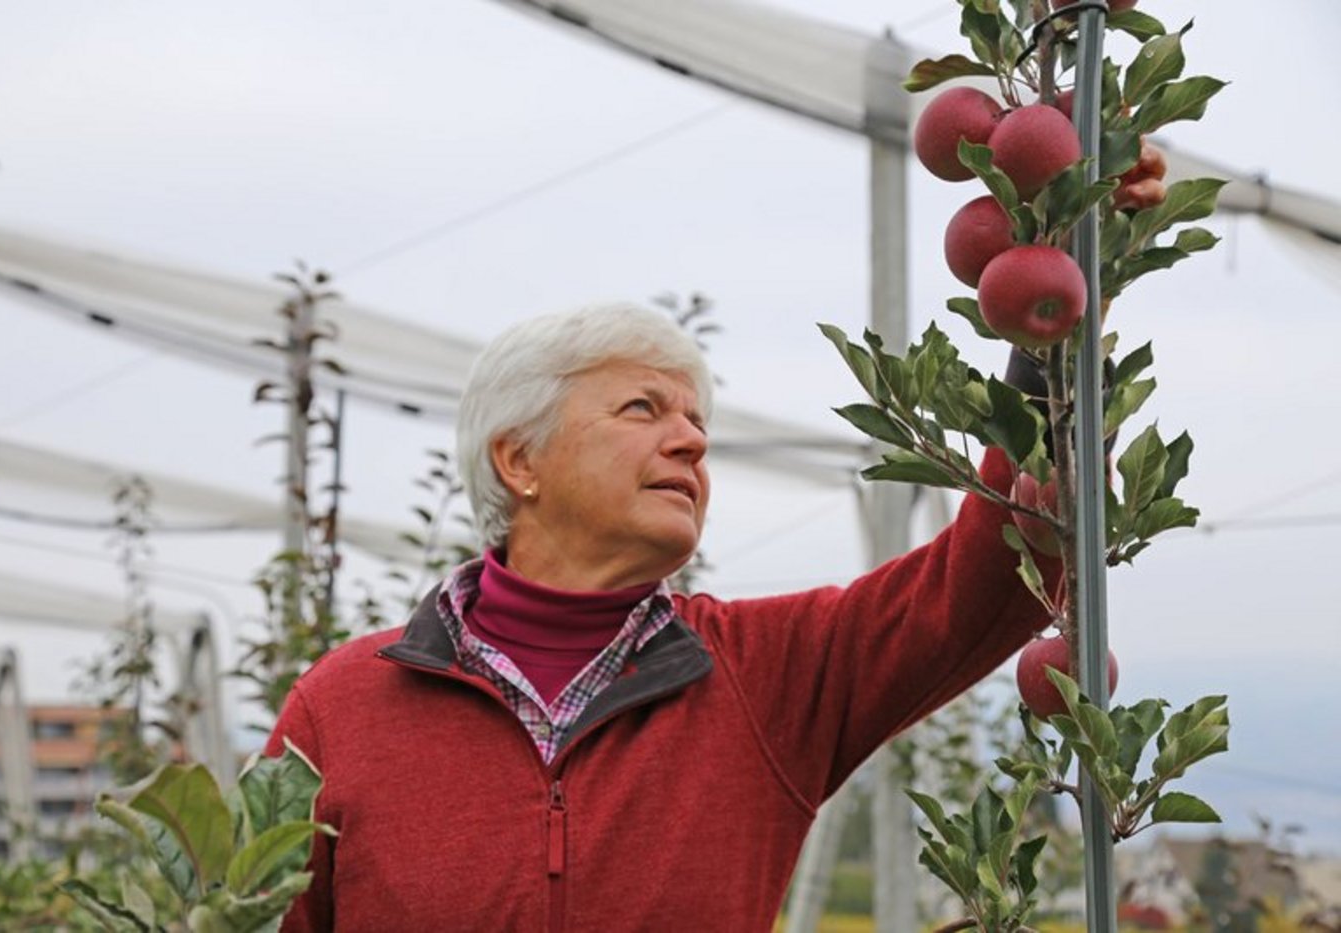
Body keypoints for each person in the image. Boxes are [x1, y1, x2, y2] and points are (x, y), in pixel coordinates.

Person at [265, 301, 1056, 932]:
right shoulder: (341, 709)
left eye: (697, 425)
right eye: (644, 409)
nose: (689, 442)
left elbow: (987, 580)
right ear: (520, 460)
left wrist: (1058, 286)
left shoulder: (763, 673)